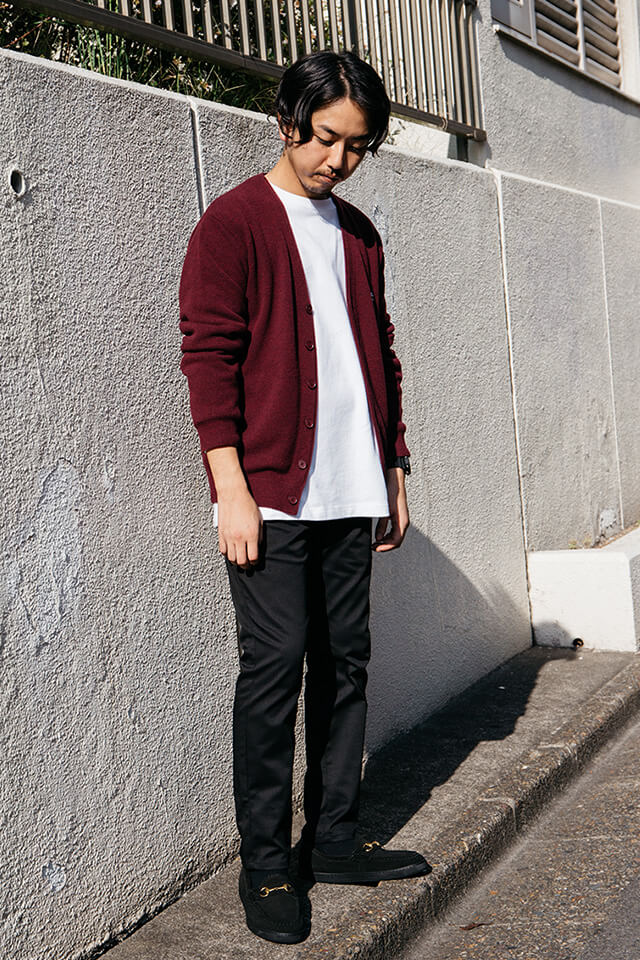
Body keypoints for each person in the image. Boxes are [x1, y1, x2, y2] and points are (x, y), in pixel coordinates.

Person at [178, 49, 429, 945]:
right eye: (326, 137)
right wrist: (231, 488)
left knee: (345, 663)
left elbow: (380, 356)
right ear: (288, 120)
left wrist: (393, 467)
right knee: (275, 666)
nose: (338, 159)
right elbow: (208, 356)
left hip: (353, 486)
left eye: (357, 146)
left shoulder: (358, 234)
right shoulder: (234, 223)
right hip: (272, 494)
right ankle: (266, 865)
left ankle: (333, 838)